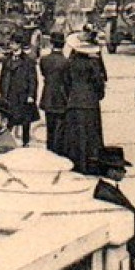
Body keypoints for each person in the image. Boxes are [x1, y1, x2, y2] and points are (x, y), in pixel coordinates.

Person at [57, 36, 107, 174]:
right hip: (90, 102)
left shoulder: (69, 63)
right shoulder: (93, 64)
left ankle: (76, 162)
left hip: (74, 102)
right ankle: (91, 162)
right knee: (91, 134)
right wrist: (98, 95)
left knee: (75, 135)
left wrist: (71, 96)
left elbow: (65, 83)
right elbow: (98, 82)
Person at [0, 35, 40, 145]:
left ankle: (25, 143)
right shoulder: (6, 60)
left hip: (22, 95)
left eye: (13, 43)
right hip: (9, 94)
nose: (11, 46)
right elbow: (2, 77)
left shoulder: (28, 61)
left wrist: (31, 95)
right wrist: (2, 91)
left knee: (25, 122)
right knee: (8, 120)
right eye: (10, 43)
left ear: (19, 45)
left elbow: (33, 80)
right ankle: (7, 143)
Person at [38, 35, 70, 158]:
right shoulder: (66, 62)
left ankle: (49, 150)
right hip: (61, 97)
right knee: (60, 127)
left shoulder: (44, 60)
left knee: (49, 127)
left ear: (51, 44)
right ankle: (58, 151)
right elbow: (67, 80)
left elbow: (43, 73)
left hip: (48, 96)